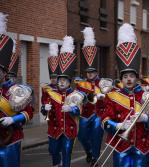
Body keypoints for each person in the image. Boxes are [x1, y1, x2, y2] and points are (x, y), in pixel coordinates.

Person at [101, 23, 149, 167]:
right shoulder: (112, 96)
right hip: (121, 144)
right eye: (125, 76)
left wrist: (147, 118)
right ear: (121, 79)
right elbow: (104, 120)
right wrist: (117, 125)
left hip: (143, 144)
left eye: (131, 76)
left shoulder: (146, 94)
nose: (128, 79)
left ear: (136, 78)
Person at [42, 36, 85, 167]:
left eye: (64, 80)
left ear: (68, 82)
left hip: (69, 130)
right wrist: (45, 109)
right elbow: (44, 111)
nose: (61, 82)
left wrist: (71, 109)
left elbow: (79, 111)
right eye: (60, 80)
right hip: (53, 129)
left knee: (67, 152)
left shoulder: (75, 94)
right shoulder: (51, 93)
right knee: (53, 152)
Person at [0, 12, 34, 167]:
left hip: (10, 139)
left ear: (4, 73)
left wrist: (12, 119)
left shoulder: (15, 89)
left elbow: (29, 112)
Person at [76, 27, 105, 166]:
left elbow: (109, 96)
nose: (90, 74)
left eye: (92, 72)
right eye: (88, 72)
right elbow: (77, 96)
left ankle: (95, 158)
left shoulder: (103, 82)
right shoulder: (81, 84)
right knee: (81, 136)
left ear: (96, 71)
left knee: (96, 136)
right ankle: (88, 152)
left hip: (98, 114)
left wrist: (103, 95)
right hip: (85, 114)